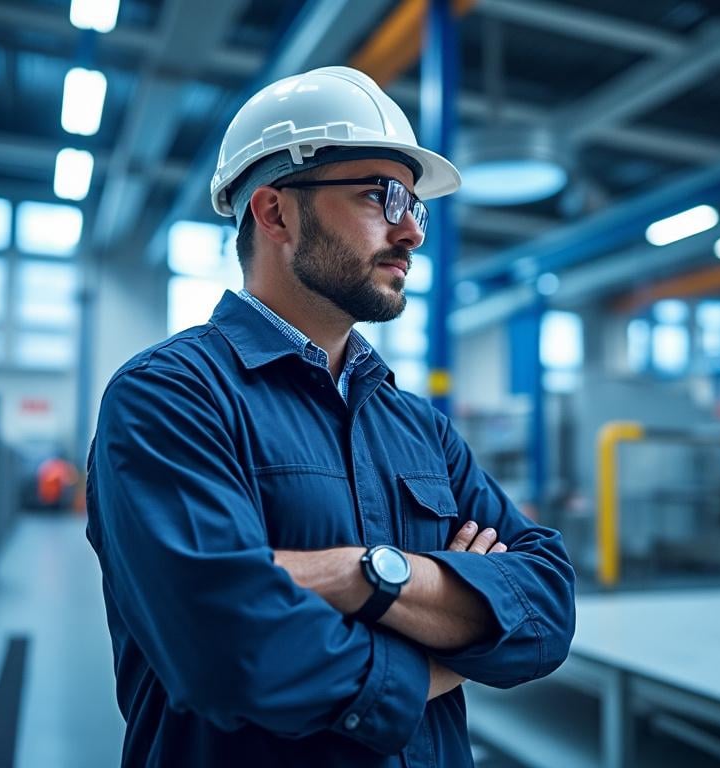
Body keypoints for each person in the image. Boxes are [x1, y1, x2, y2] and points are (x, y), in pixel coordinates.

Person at [86, 66, 576, 768]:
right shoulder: (169, 397)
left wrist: (362, 573)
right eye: (384, 196)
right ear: (275, 212)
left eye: (416, 207)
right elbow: (226, 652)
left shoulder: (419, 427)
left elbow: (547, 609)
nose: (411, 232)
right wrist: (450, 646)